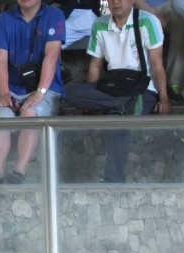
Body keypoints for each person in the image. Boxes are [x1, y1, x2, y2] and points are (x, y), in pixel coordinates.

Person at [65, 0, 170, 183]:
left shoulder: (147, 21)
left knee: (121, 123)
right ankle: (122, 105)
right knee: (70, 92)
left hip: (142, 90)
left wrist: (164, 98)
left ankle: (112, 179)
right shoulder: (99, 24)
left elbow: (157, 65)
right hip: (113, 88)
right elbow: (96, 65)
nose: (116, 2)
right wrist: (88, 100)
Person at [0, 0, 65, 184]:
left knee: (29, 113)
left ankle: (20, 169)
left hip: (47, 88)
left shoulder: (54, 15)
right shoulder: (3, 19)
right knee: (3, 116)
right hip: (13, 89)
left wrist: (40, 92)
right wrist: (4, 93)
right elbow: (0, 59)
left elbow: (51, 56)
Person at [134, 0, 184, 102]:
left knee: (180, 25)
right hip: (142, 7)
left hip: (171, 6)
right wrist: (153, 16)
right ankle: (147, 83)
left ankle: (174, 83)